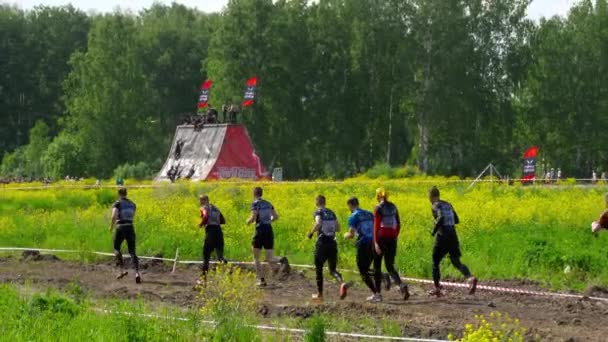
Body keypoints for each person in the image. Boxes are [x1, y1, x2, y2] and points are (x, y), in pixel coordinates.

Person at [428, 186, 477, 296]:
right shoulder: (448, 204)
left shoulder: (435, 205)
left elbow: (440, 218)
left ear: (431, 196)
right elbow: (456, 219)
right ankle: (470, 277)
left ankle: (437, 289)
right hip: (453, 234)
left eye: (429, 197)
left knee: (435, 262)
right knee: (456, 261)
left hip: (443, 235)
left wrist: (433, 231)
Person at [306, 195, 350, 301]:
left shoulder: (318, 212)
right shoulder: (331, 212)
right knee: (333, 270)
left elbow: (318, 223)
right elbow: (338, 228)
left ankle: (320, 294)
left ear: (317, 203)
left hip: (322, 243)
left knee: (319, 269)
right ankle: (342, 283)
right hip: (332, 243)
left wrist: (311, 233)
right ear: (325, 202)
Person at [246, 187, 289, 287]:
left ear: (254, 194)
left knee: (256, 257)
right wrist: (269, 220)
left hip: (260, 230)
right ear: (261, 193)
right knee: (269, 257)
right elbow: (276, 217)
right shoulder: (268, 203)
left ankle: (262, 281)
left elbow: (253, 218)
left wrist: (248, 221)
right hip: (269, 230)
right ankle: (281, 259)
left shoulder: (255, 203)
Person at [373, 188, 409, 301]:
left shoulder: (378, 208)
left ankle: (377, 294)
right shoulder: (393, 206)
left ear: (378, 196)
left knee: (377, 266)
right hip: (392, 238)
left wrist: (375, 242)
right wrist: (395, 236)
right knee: (389, 265)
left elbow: (376, 226)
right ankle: (401, 285)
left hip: (381, 237)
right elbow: (398, 224)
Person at [344, 197, 382, 302]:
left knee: (363, 271)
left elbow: (351, 234)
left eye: (348, 206)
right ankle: (382, 277)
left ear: (350, 205)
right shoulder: (369, 213)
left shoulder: (353, 216)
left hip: (363, 243)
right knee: (366, 268)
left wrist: (345, 236)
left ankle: (376, 294)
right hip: (374, 243)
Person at [109, 188, 141, 284]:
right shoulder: (132, 204)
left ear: (119, 194)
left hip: (120, 227)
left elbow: (114, 216)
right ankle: (137, 273)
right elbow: (132, 215)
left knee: (116, 248)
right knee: (132, 251)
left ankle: (122, 270)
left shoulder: (117, 203)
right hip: (130, 227)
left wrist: (111, 226)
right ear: (126, 194)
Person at [199, 195, 228, 279]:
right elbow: (223, 220)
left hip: (210, 232)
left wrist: (201, 224)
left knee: (206, 256)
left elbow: (205, 216)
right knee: (220, 257)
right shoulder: (216, 208)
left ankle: (203, 280)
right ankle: (230, 271)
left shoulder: (204, 207)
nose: (200, 203)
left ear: (203, 201)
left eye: (200, 201)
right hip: (219, 232)